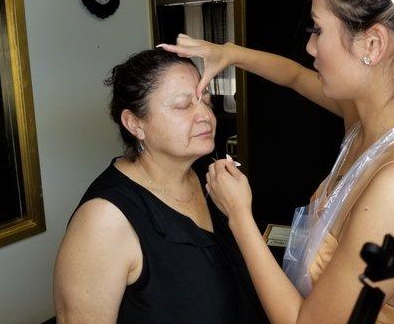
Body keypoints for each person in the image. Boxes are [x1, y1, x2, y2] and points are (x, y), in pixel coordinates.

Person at [161, 0, 394, 324]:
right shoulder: (367, 116)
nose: (309, 46)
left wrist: (239, 215)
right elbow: (295, 76)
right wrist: (230, 53)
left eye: (318, 28)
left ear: (372, 44)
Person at [53, 50, 267, 323]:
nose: (205, 116)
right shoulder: (104, 221)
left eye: (207, 102)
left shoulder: (211, 179)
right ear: (135, 124)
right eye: (182, 105)